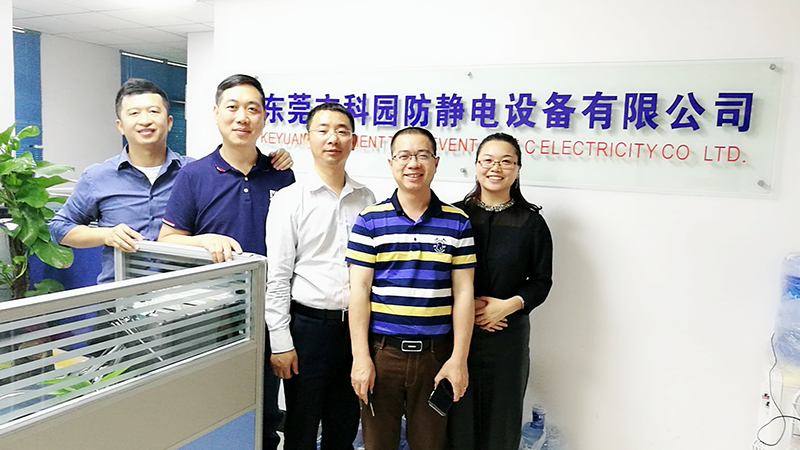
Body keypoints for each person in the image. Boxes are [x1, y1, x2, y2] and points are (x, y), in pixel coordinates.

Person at [157, 74, 295, 450]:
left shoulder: (281, 174)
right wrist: (203, 240)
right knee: (208, 404)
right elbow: (167, 240)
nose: (242, 117)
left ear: (264, 117)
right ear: (216, 113)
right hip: (211, 314)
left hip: (267, 312)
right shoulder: (193, 175)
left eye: (252, 108)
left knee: (264, 408)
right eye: (232, 107)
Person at [47, 78, 291, 284]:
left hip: (180, 294)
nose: (145, 120)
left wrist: (277, 159)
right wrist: (106, 235)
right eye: (134, 113)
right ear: (120, 126)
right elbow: (59, 228)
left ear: (169, 121)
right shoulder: (98, 177)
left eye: (154, 112)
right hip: (120, 292)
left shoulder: (192, 172)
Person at [346, 126, 476, 450]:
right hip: (382, 354)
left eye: (422, 155)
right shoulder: (369, 220)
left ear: (436, 162)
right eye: (404, 156)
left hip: (436, 356)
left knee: (430, 445)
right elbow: (359, 290)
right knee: (377, 445)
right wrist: (360, 357)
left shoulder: (458, 222)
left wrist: (458, 359)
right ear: (391, 163)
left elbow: (464, 293)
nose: (413, 164)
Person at [266, 102, 375, 450]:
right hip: (308, 330)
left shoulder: (366, 198)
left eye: (342, 131)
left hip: (355, 330)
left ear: (354, 141)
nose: (333, 138)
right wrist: (281, 343)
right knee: (301, 428)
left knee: (344, 427)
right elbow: (277, 276)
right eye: (323, 130)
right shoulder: (288, 199)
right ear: (307, 139)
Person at [446, 132, 553, 450]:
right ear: (476, 165)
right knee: (456, 422)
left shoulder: (531, 222)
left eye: (506, 161)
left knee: (501, 425)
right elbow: (436, 274)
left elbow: (541, 282)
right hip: (455, 337)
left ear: (517, 169)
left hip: (507, 340)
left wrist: (507, 306)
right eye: (488, 160)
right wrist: (467, 310)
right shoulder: (453, 216)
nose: (496, 168)